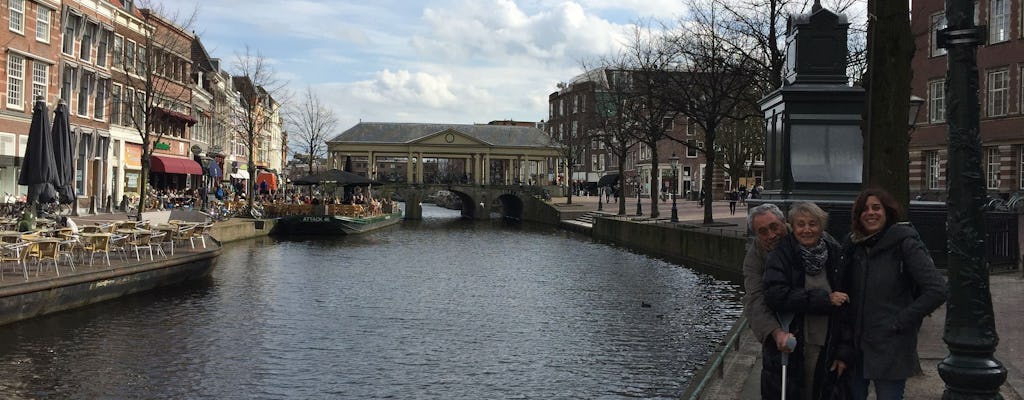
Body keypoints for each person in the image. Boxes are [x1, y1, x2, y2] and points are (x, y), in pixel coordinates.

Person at [843, 188, 947, 400]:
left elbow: (937, 289)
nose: (870, 213)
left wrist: (901, 321)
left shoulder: (905, 243)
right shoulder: (853, 246)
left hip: (890, 346)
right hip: (855, 346)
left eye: (876, 208)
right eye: (864, 209)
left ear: (887, 211)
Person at [763, 202, 852, 400]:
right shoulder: (781, 255)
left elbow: (846, 307)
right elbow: (775, 295)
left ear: (821, 226)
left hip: (827, 345)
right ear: (792, 227)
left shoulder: (835, 254)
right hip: (794, 346)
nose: (806, 230)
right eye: (800, 224)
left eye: (812, 224)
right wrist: (824, 299)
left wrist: (843, 353)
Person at [742, 204, 796, 399]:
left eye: (774, 227)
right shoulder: (754, 257)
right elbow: (754, 298)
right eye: (763, 232)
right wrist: (775, 332)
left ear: (784, 222)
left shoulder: (804, 235)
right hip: (779, 330)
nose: (771, 235)